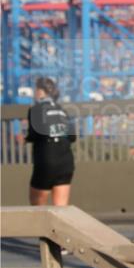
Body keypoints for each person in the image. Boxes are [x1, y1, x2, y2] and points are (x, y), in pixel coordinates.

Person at [26, 77, 75, 206]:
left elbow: (33, 134)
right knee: (61, 210)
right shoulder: (62, 110)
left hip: (46, 159)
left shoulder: (36, 109)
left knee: (37, 208)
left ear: (41, 91)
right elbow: (72, 137)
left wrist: (25, 139)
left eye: (36, 89)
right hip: (66, 160)